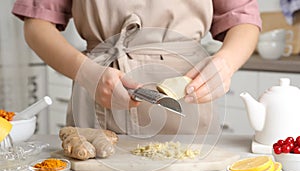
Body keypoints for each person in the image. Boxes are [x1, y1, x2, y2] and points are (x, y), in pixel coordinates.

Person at [12, 0, 261, 136]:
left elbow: (243, 18)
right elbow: (37, 24)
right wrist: (87, 74)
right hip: (97, 89)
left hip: (186, 96)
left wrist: (226, 63)